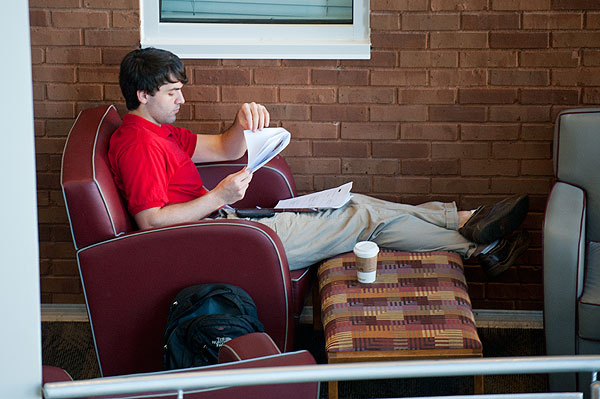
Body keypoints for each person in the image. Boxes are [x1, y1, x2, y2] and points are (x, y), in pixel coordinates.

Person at [108, 47, 530, 278]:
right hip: (227, 241)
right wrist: (218, 194)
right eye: (172, 93)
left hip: (234, 223)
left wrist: (240, 123)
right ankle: (481, 244)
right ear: (143, 95)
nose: (182, 100)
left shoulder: (159, 132)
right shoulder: (137, 145)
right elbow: (150, 222)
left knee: (352, 202)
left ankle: (462, 218)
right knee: (363, 218)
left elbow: (221, 148)